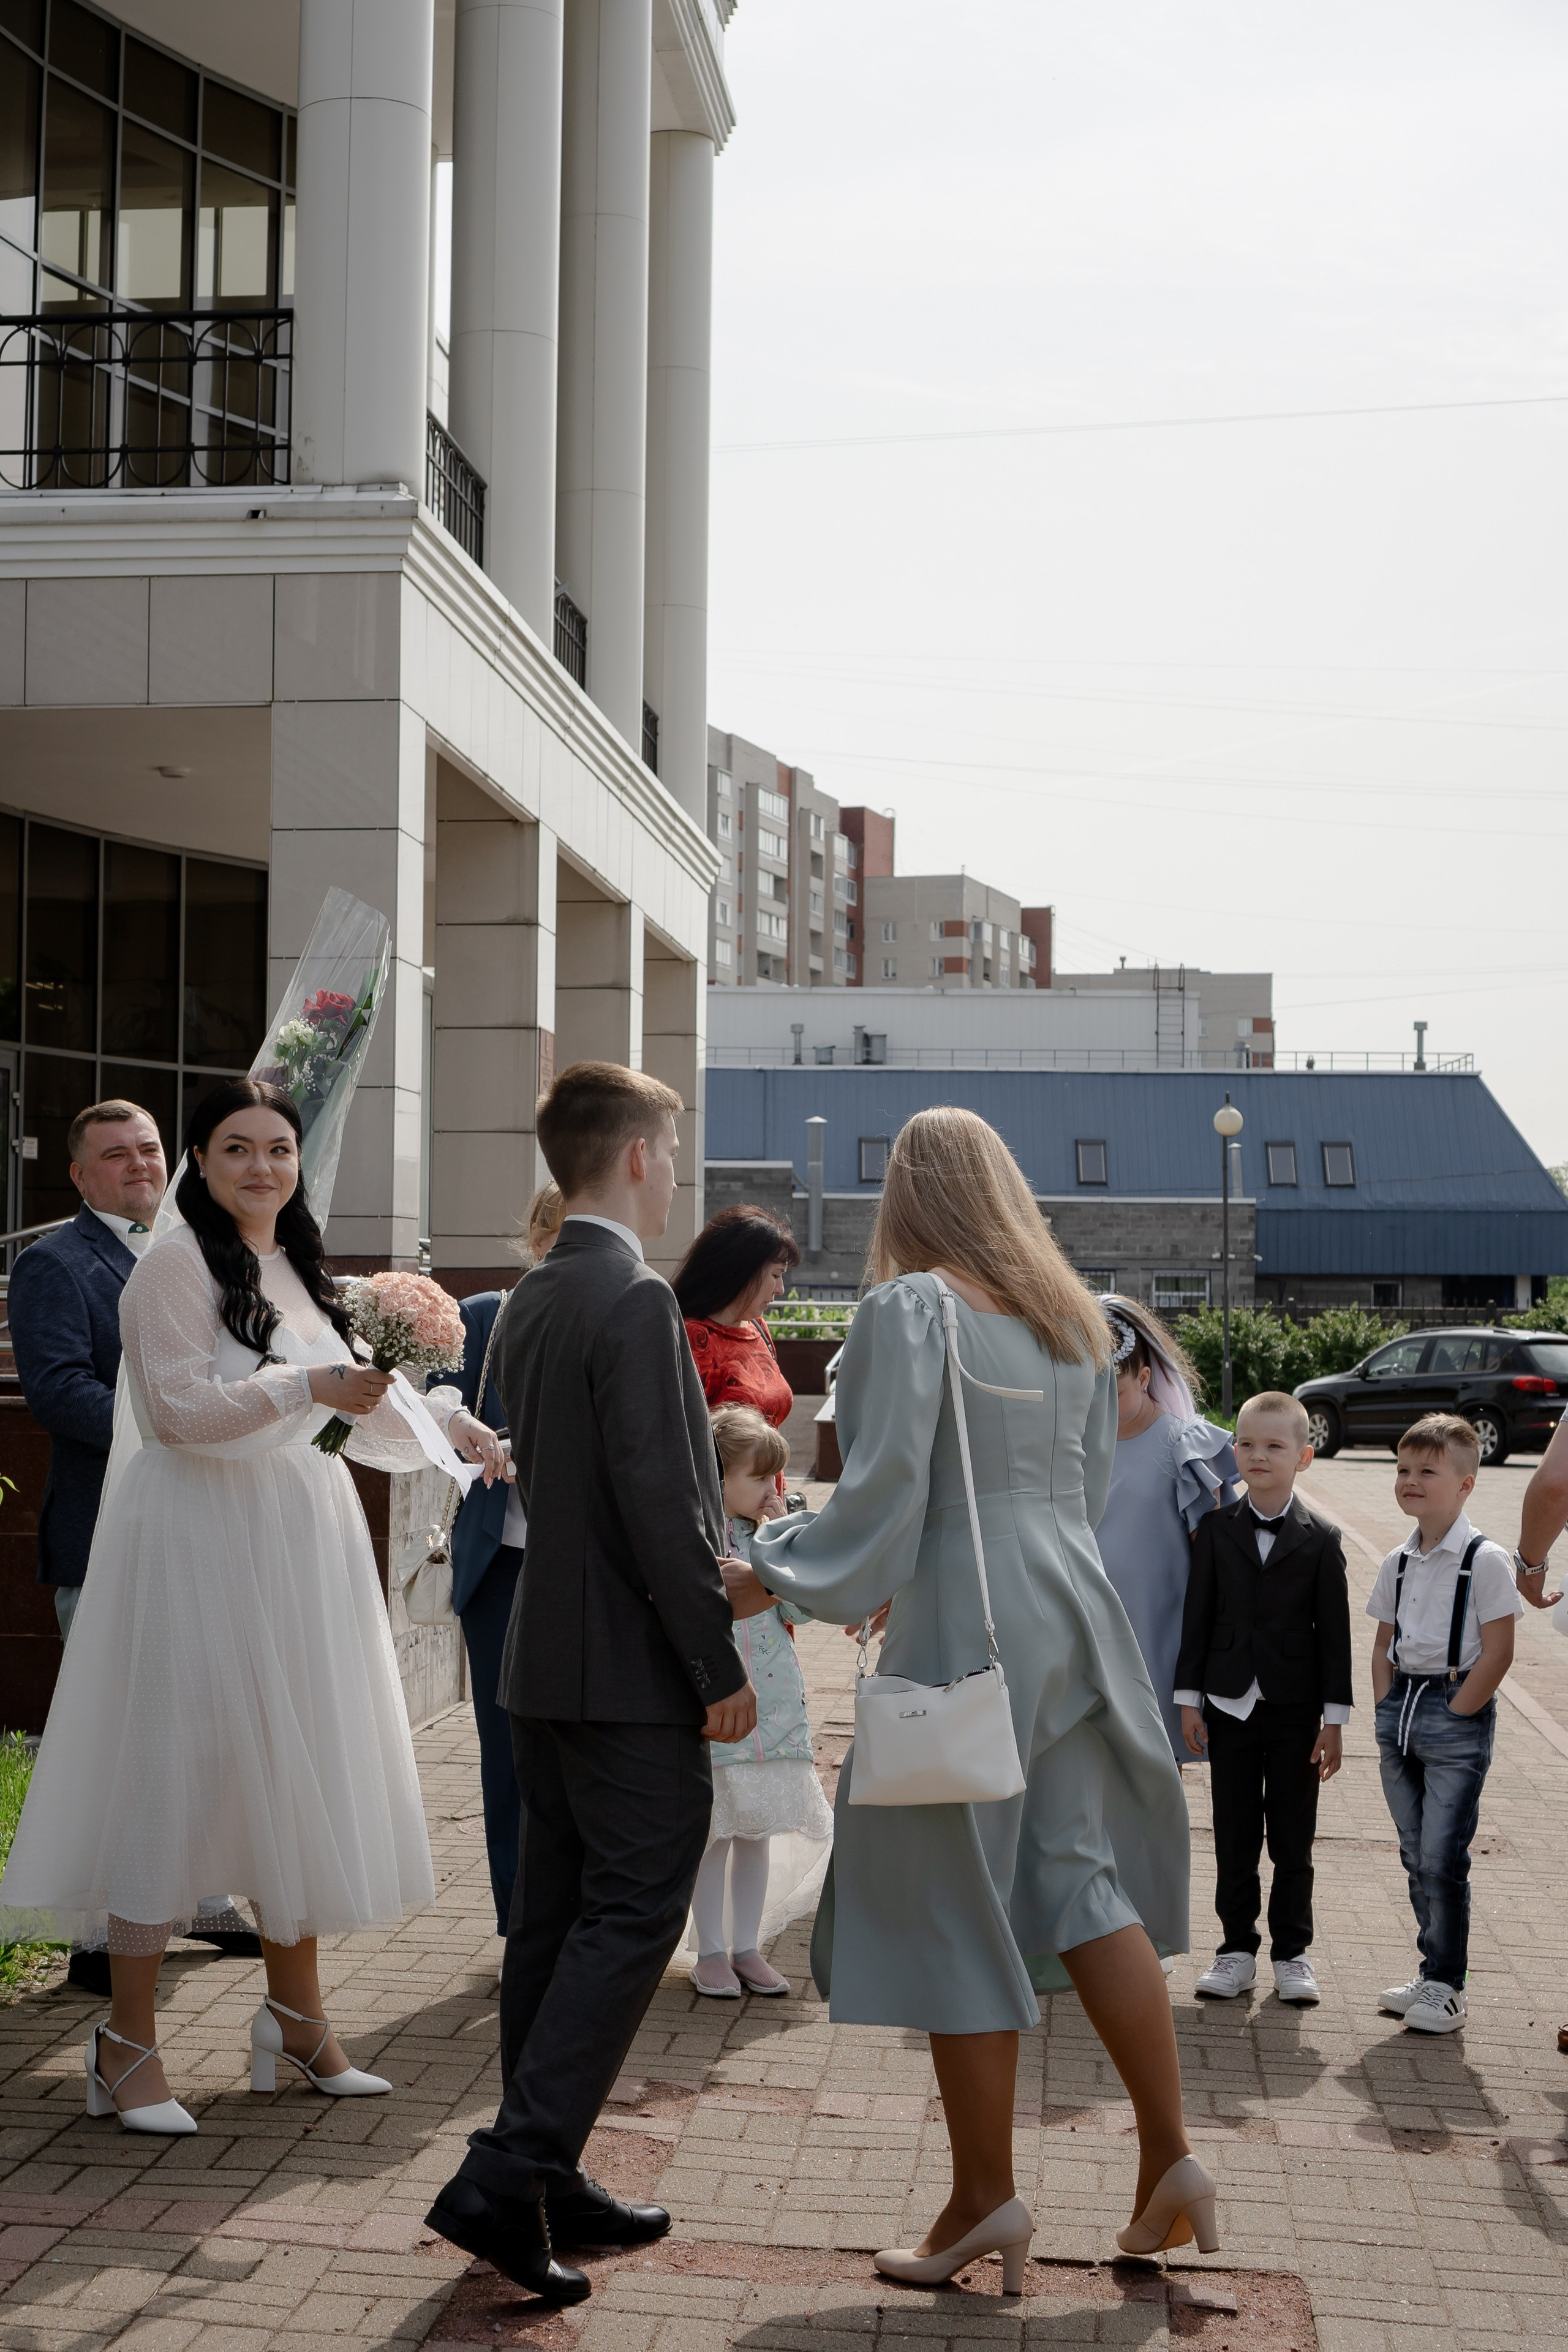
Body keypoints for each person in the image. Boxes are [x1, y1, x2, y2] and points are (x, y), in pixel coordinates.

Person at [739, 1107, 1216, 2287]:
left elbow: (886, 1491)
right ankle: (1170, 2160)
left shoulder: (914, 1309)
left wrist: (773, 1569)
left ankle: (983, 2200)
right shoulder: (1079, 1320)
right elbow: (1091, 1485)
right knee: (1074, 1873)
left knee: (957, 1894)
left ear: (911, 1195)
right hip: (1071, 1603)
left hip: (968, 1612)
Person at [0, 1080, 473, 2132]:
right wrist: (305, 1393)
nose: (261, 1167)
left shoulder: (300, 1270)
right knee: (176, 1778)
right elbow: (173, 1413)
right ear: (200, 1168)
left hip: (298, 1544)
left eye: (278, 1149)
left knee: (291, 1765)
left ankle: (296, 2021)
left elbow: (362, 1414)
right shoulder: (171, 1267)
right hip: (199, 1546)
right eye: (235, 1149)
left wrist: (460, 1441)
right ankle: (127, 2045)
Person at [424, 1063, 758, 2312]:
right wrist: (713, 1667)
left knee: (555, 1924)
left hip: (539, 1666)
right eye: (669, 1150)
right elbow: (663, 1510)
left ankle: (547, 2173)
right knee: (631, 1914)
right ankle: (508, 2171)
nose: (675, 1171)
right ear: (632, 1156)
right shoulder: (625, 1298)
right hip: (621, 1674)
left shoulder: (534, 1295)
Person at [7, 1098, 260, 1996]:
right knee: (120, 1740)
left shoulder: (201, 1250)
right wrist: (168, 1425)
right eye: (115, 1156)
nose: (138, 1166)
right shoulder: (56, 1265)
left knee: (197, 1736)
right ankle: (96, 1937)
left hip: (204, 1534)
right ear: (78, 1175)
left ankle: (198, 1897)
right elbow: (57, 1391)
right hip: (106, 1536)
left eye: (149, 1150)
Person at [1175, 1390, 1352, 2007]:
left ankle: (1292, 1953)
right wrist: (1189, 1698)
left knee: (1292, 1837)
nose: (1258, 1455)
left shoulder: (1323, 1539)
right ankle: (1234, 1950)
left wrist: (1334, 1720)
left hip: (1295, 1713)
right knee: (1233, 1832)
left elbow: (1334, 1638)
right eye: (1246, 1444)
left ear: (1303, 1456)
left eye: (1274, 1446)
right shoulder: (1215, 1531)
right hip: (1226, 1706)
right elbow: (1196, 1618)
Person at [426, 1178, 565, 1937]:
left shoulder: (626, 1314)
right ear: (536, 1241)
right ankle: (520, 1920)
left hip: (583, 1569)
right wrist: (463, 1423)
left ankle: (576, 1916)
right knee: (505, 1751)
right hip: (499, 1569)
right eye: (555, 1238)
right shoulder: (486, 1316)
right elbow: (433, 1399)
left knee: (577, 1751)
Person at [1368, 1414, 1520, 2036]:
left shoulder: (1484, 1561)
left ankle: (1446, 1986)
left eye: (1427, 1471)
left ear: (1464, 1485)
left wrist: (1459, 1710)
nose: (1410, 1480)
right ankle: (1430, 1968)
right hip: (1400, 1709)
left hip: (1453, 1708)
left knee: (1441, 1855)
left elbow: (1500, 1648)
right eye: (1403, 1469)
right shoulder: (1397, 1559)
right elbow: (1382, 1643)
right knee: (1412, 1851)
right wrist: (1384, 1706)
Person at [690, 1405, 832, 2000]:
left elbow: (802, 1609)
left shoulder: (772, 1537)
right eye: (758, 1478)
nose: (773, 1490)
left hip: (774, 1705)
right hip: (717, 1708)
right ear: (717, 1476)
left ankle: (747, 1947)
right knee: (714, 1834)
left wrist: (780, 1539)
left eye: (778, 1478)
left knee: (758, 1833)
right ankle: (711, 1952)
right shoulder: (691, 1536)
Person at [1091, 1295, 1238, 1762]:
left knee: (1153, 1769)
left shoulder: (1182, 1445)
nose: (1101, 1408)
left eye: (1114, 1393)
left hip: (1157, 1632)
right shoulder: (1075, 1445)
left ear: (1144, 1376)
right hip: (1089, 1629)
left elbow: (1216, 1561)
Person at [674, 1204, 800, 1433]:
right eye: (776, 1275)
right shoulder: (694, 1337)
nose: (780, 1289)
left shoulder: (757, 1327)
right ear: (742, 1272)